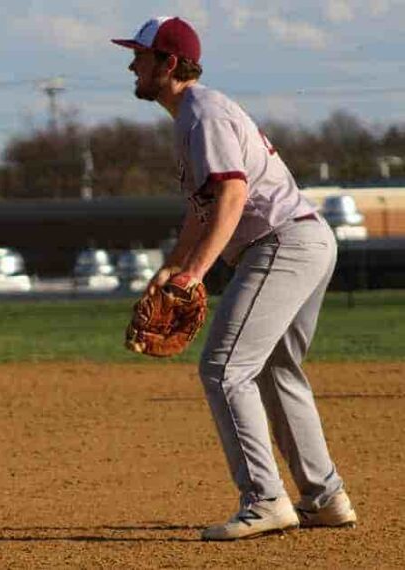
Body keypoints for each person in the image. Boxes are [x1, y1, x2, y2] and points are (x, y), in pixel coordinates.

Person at [111, 17, 356, 540]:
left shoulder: (204, 115)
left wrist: (195, 274)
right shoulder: (194, 116)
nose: (133, 64)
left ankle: (265, 499)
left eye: (141, 55)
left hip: (282, 243)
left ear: (169, 64)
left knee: (223, 370)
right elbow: (202, 210)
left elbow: (232, 197)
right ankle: (325, 496)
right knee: (275, 370)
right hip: (304, 240)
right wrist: (174, 265)